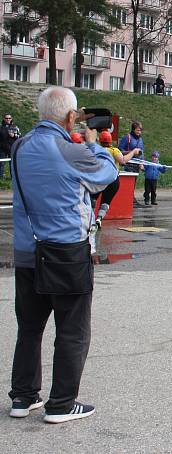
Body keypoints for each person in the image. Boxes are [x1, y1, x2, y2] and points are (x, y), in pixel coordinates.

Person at [9, 86, 117, 423]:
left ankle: (23, 397)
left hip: (28, 249)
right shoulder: (68, 149)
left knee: (29, 327)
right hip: (66, 252)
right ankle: (61, 403)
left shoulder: (19, 145)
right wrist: (92, 141)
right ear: (71, 118)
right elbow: (107, 173)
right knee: (72, 329)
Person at [94, 130, 140, 227]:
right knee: (106, 201)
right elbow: (123, 161)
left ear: (99, 141)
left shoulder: (95, 150)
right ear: (110, 141)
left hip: (98, 179)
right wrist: (133, 152)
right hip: (113, 180)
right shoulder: (114, 150)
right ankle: (99, 218)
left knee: (92, 198)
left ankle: (89, 218)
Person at [118, 121, 145, 203]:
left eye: (140, 130)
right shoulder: (127, 137)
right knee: (128, 182)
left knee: (134, 182)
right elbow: (119, 150)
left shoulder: (140, 139)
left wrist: (142, 163)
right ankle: (127, 198)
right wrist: (131, 152)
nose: (139, 132)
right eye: (138, 130)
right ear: (133, 130)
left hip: (136, 164)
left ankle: (131, 197)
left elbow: (141, 151)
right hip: (128, 164)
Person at [1, 112, 21, 179]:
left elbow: (20, 136)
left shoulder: (15, 127)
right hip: (2, 149)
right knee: (1, 164)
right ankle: (1, 179)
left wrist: (14, 136)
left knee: (12, 164)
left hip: (12, 148)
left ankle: (13, 178)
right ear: (4, 119)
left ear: (11, 119)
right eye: (6, 118)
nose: (8, 119)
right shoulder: (1, 127)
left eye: (9, 118)